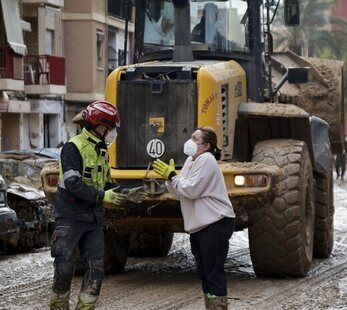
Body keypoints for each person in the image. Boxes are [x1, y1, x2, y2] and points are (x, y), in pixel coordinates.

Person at [49, 101, 145, 310]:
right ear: (100, 126)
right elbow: (74, 184)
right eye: (111, 128)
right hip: (70, 217)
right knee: (64, 266)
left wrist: (126, 193)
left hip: (93, 220)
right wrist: (103, 197)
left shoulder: (102, 151)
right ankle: (58, 306)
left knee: (96, 269)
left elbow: (107, 183)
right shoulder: (73, 147)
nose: (113, 133)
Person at [152, 126, 235, 310]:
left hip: (215, 224)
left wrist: (173, 176)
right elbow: (179, 191)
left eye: (195, 139)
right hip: (200, 227)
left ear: (206, 146)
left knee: (213, 273)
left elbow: (191, 190)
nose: (190, 141)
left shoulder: (206, 159)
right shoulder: (191, 160)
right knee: (205, 273)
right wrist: (170, 179)